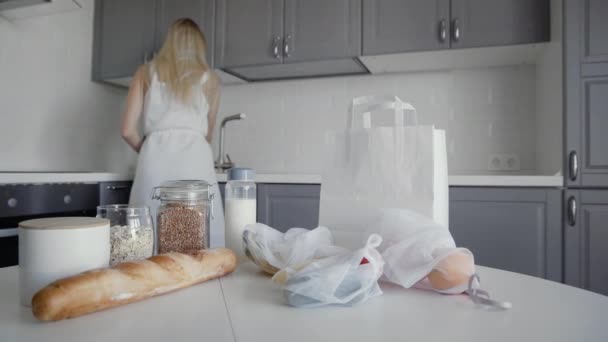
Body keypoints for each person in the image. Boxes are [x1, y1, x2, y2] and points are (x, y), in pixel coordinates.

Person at [121, 18, 224, 247]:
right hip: (196, 161)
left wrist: (147, 149)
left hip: (155, 158)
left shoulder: (146, 72)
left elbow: (127, 130)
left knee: (147, 237)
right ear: (200, 47)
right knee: (199, 238)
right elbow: (208, 136)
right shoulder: (211, 81)